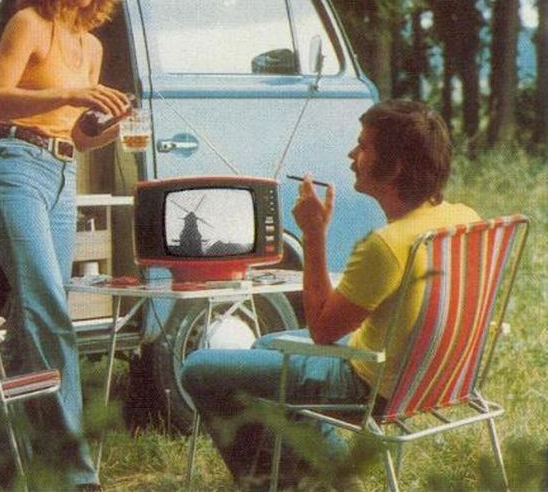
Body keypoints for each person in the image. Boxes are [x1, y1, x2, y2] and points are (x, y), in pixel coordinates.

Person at [181, 99, 480, 489]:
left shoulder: (387, 245)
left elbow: (322, 331)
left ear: (397, 165)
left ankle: (272, 482)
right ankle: (308, 474)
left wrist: (314, 236)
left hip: (371, 385)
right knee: (267, 345)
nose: (352, 155)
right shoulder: (462, 218)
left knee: (198, 369)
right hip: (436, 375)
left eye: (364, 146)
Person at [0, 0, 128, 489]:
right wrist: (69, 95)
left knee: (28, 331)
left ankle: (2, 477)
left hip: (62, 172)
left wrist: (105, 127)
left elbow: (79, 136)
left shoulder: (91, 46)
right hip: (14, 168)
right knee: (50, 317)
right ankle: (78, 478)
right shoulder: (28, 25)